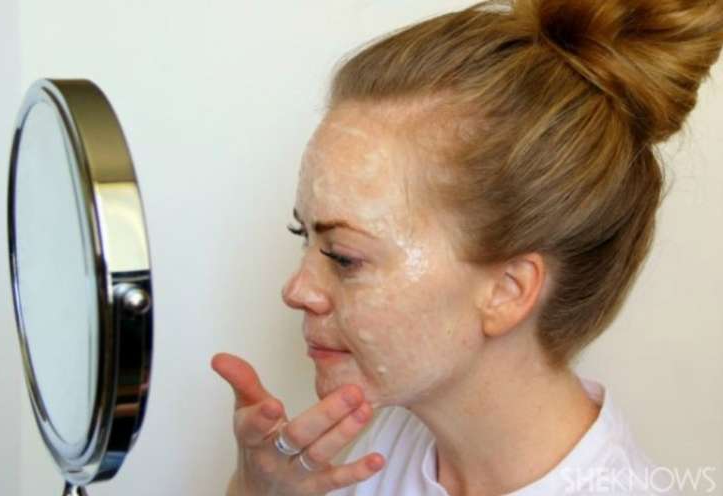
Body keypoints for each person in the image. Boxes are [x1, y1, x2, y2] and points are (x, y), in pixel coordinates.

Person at [211, 0, 723, 494]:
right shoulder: (393, 444)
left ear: (506, 291)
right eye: (303, 236)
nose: (296, 290)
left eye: (344, 257)